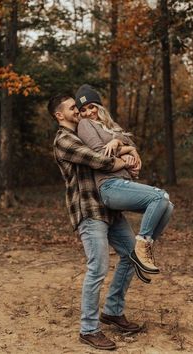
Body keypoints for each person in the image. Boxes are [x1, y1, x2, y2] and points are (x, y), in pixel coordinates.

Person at [48, 93, 143, 351]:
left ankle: (112, 311)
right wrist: (126, 157)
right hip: (89, 210)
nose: (78, 110)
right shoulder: (64, 140)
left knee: (133, 256)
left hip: (110, 209)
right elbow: (98, 159)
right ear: (59, 115)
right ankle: (88, 329)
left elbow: (116, 138)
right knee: (98, 268)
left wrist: (125, 145)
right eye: (71, 108)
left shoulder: (84, 131)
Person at [75, 84, 174, 275]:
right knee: (160, 197)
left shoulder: (110, 127)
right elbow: (99, 153)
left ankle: (144, 248)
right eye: (83, 110)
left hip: (123, 183)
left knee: (167, 206)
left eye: (91, 106)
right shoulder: (85, 125)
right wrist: (126, 151)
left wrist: (120, 144)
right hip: (109, 185)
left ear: (99, 106)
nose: (88, 112)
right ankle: (143, 244)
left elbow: (132, 146)